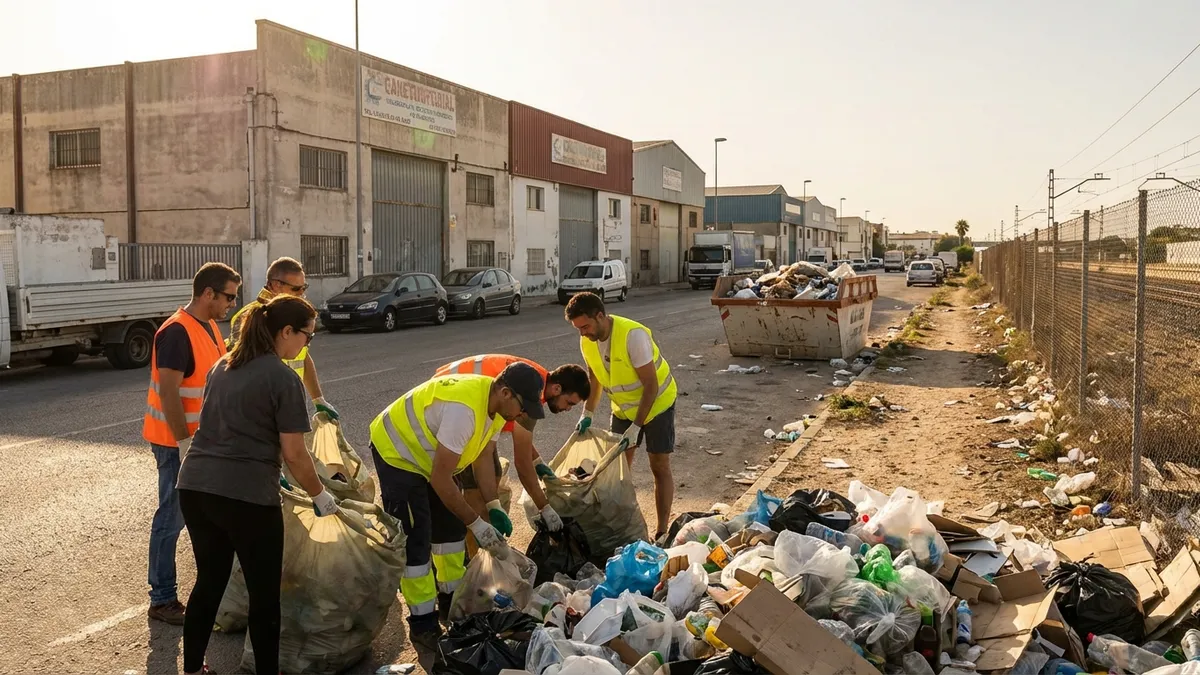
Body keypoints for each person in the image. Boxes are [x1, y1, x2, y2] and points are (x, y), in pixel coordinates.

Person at [176, 294, 339, 675]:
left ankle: (193, 669)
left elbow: (223, 425)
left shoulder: (222, 365)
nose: (306, 345)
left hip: (196, 489)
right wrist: (321, 495)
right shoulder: (283, 378)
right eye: (306, 336)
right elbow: (296, 454)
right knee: (265, 595)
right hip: (246, 497)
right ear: (285, 332)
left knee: (209, 582)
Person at [368, 362, 546, 650]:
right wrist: (476, 523)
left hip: (431, 458)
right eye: (522, 407)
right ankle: (423, 622)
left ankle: (452, 602)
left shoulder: (497, 410)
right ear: (505, 392)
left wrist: (493, 505)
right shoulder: (463, 411)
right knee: (417, 537)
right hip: (398, 453)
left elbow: (482, 458)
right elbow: (441, 479)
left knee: (450, 532)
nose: (522, 415)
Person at [143, 262, 242, 625]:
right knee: (171, 517)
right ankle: (162, 598)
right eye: (228, 296)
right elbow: (168, 391)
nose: (232, 303)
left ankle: (211, 587)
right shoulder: (176, 332)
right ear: (208, 294)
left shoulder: (211, 327)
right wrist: (184, 443)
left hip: (203, 442)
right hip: (176, 444)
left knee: (207, 516)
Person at [434, 355, 591, 535]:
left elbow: (521, 441)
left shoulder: (534, 379)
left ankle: (483, 538)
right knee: (475, 488)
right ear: (556, 388)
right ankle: (476, 546)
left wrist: (537, 461)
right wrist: (545, 507)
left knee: (493, 474)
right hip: (452, 404)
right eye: (569, 403)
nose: (568, 409)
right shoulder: (529, 395)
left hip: (454, 392)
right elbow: (522, 464)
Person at [565, 291, 678, 538]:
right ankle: (622, 525)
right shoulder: (587, 340)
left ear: (600, 316)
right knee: (615, 469)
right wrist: (588, 412)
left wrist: (637, 426)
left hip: (657, 404)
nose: (582, 332)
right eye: (578, 328)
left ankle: (662, 531)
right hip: (624, 408)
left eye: (585, 326)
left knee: (659, 465)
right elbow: (594, 376)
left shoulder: (632, 336)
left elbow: (651, 385)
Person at [228, 256, 337, 420]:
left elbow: (303, 356)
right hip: (261, 411)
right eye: (296, 289)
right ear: (276, 285)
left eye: (304, 288)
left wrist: (318, 399)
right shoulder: (250, 317)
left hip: (289, 403)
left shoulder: (294, 313)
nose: (302, 294)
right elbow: (239, 372)